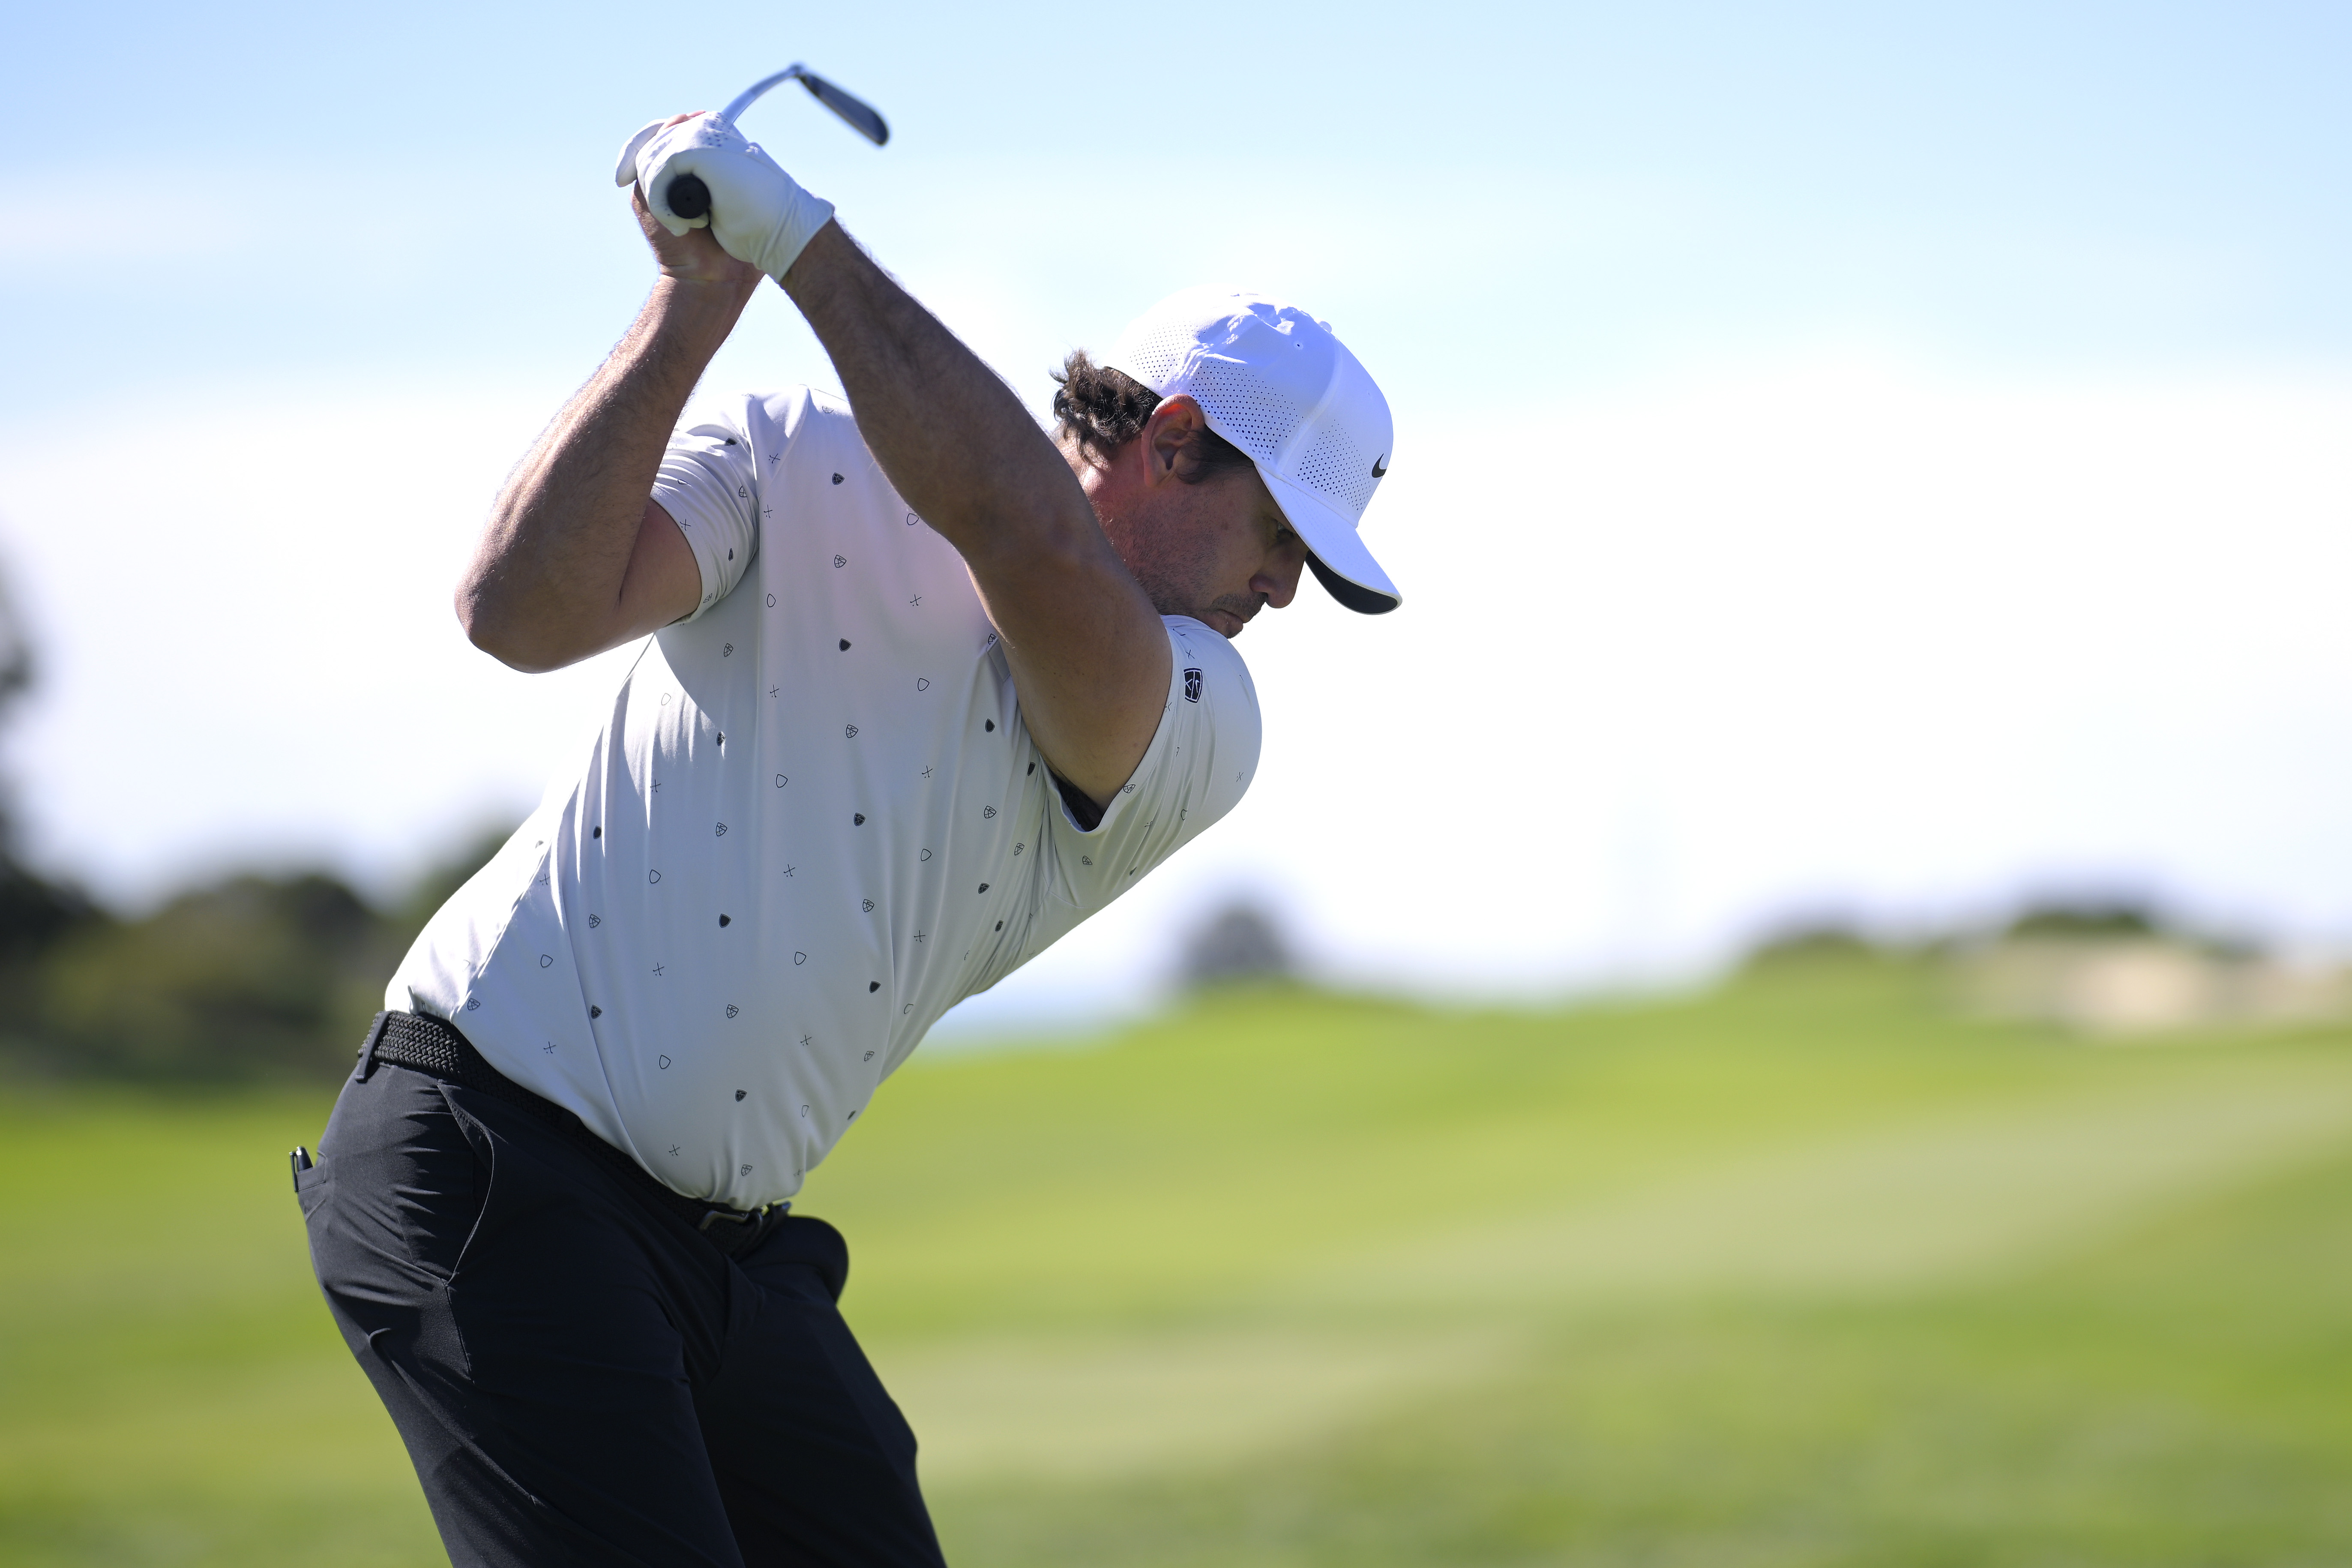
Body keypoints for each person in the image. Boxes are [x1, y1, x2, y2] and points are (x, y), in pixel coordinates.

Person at [295, 107, 1401, 1567]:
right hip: (486, 1153)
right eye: (1279, 536)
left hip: (721, 1244)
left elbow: (1021, 538)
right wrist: (697, 302)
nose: (1285, 591)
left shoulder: (1201, 711)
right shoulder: (791, 460)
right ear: (1176, 438)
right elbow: (516, 611)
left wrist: (801, 244)